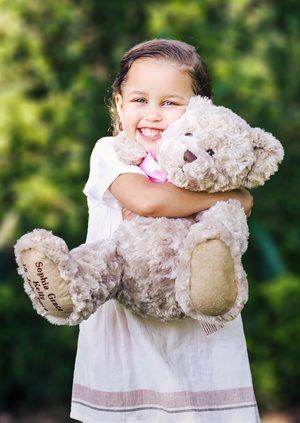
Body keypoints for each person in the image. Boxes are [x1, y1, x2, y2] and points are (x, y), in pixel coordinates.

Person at [70, 39, 260, 423]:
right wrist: (230, 197)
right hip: (127, 338)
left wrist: (226, 195)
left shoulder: (206, 164)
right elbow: (147, 200)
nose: (153, 115)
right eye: (140, 100)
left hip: (199, 335)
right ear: (120, 104)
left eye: (170, 103)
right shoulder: (110, 152)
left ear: (200, 112)